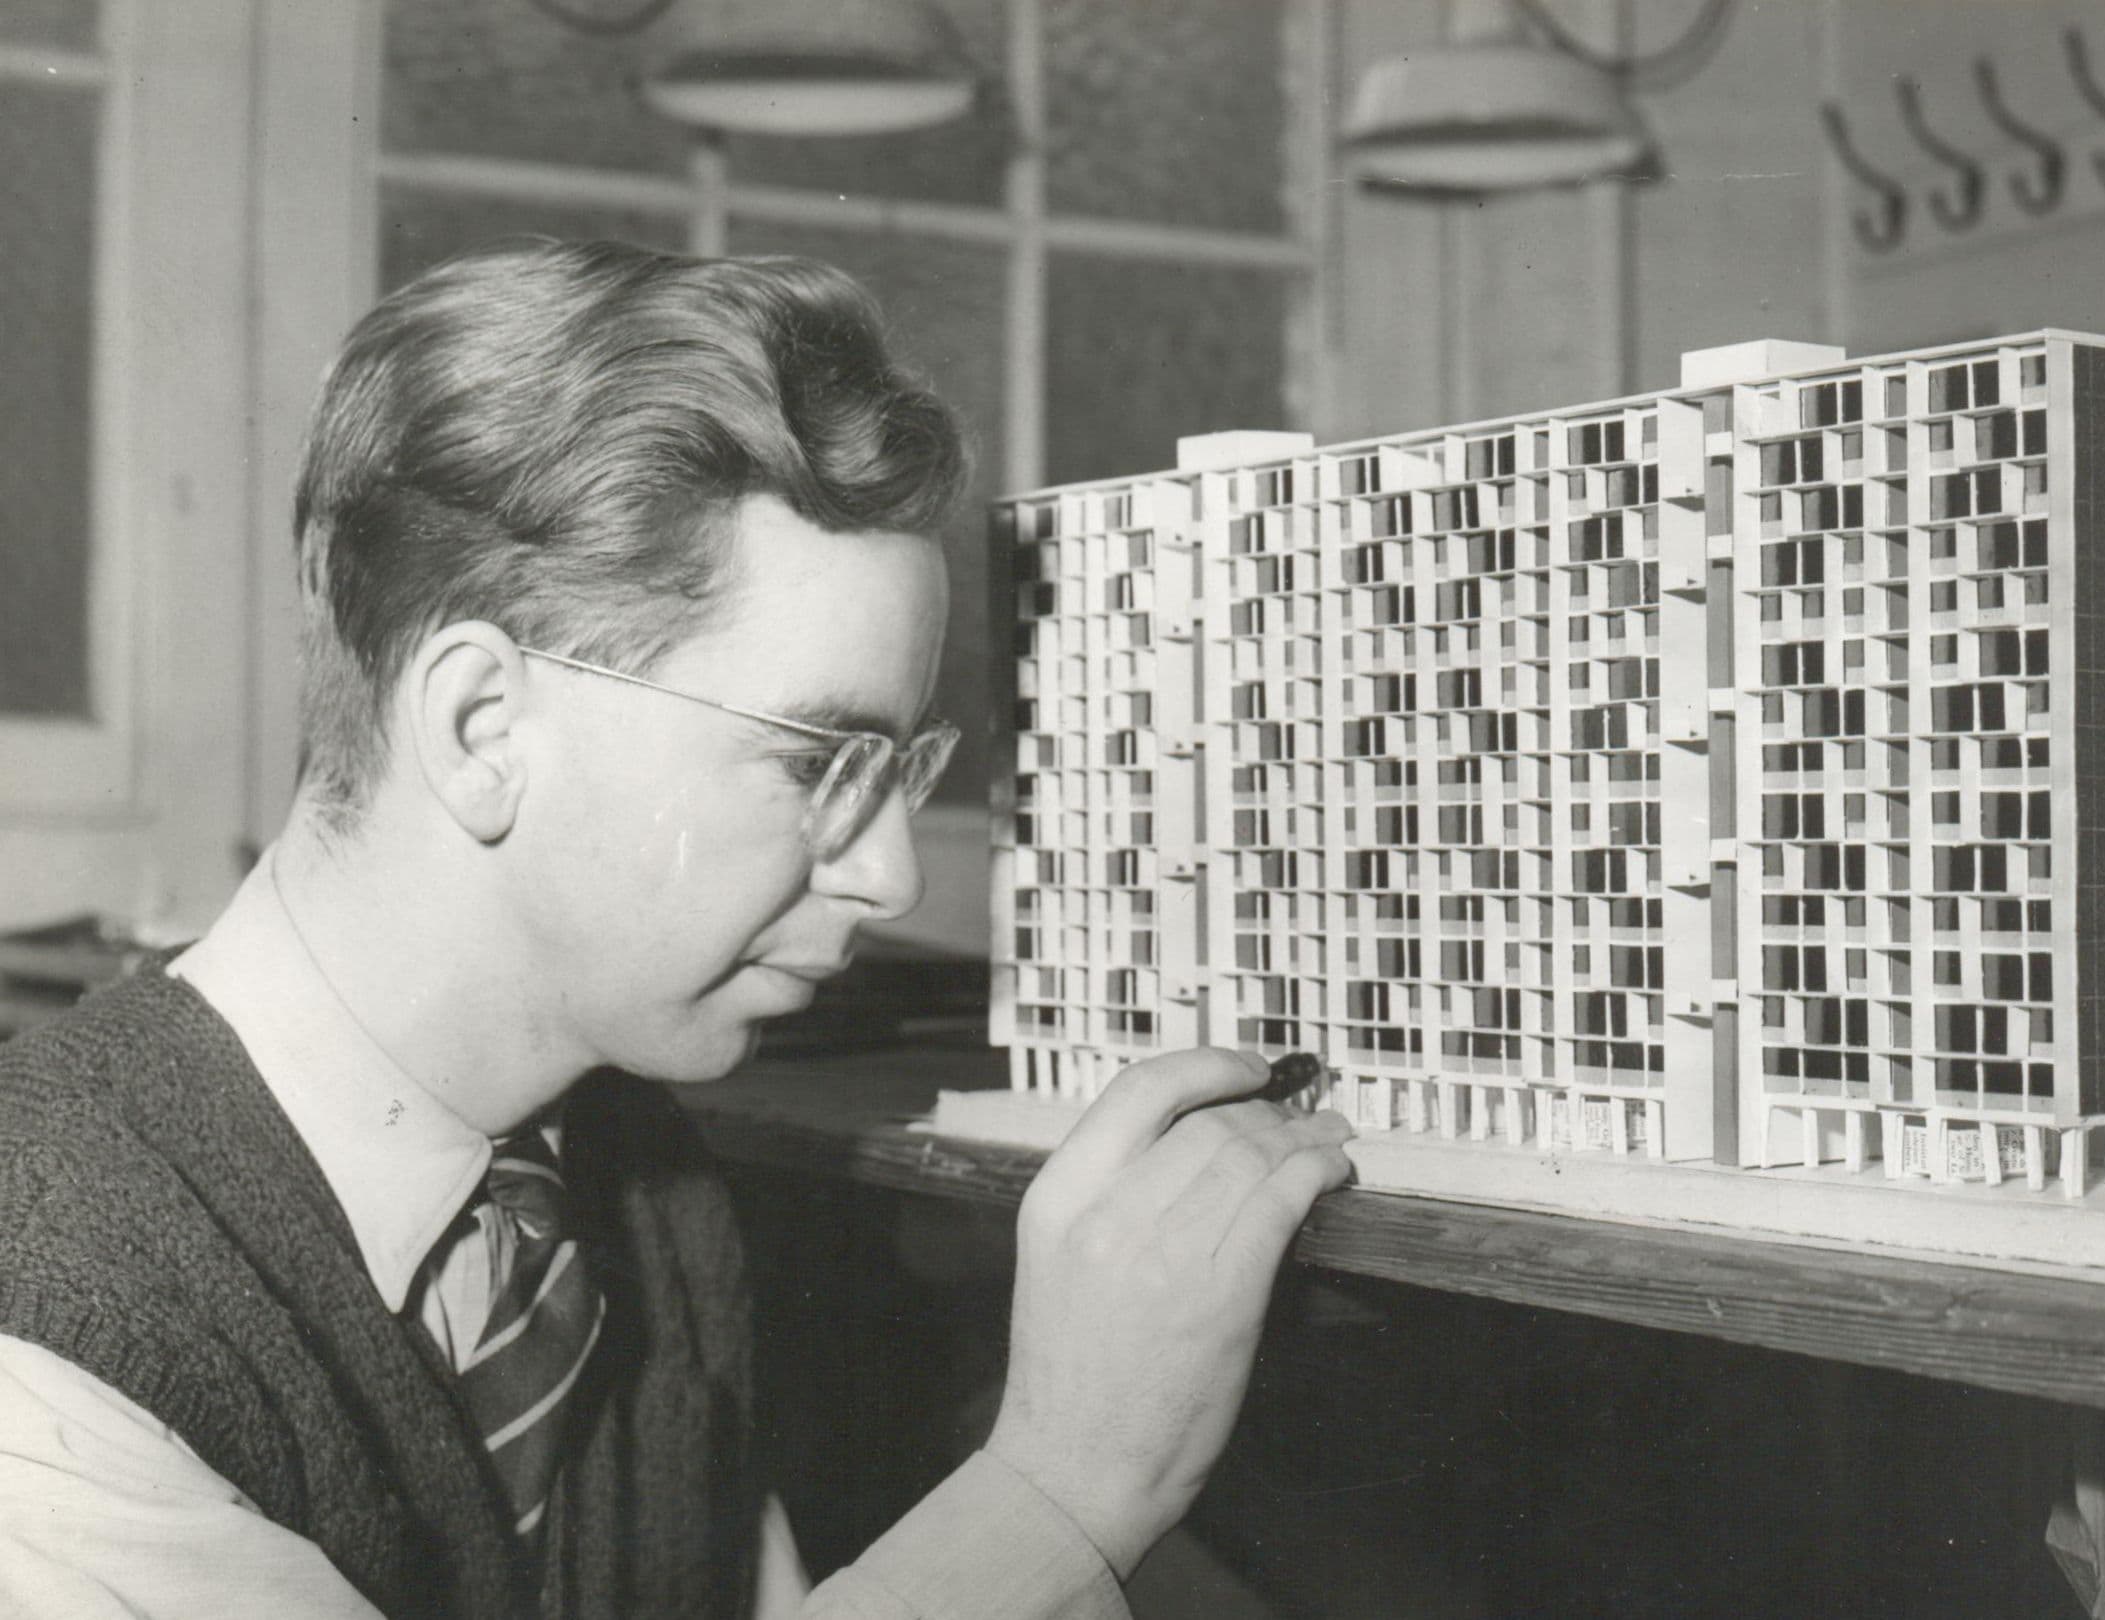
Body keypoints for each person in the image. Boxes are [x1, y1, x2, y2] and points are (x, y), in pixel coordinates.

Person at [0, 239, 1355, 1618]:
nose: (889, 876)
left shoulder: (635, 1188)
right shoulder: (41, 1338)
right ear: (483, 728)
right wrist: (1062, 1489)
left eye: (901, 774)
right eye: (814, 761)